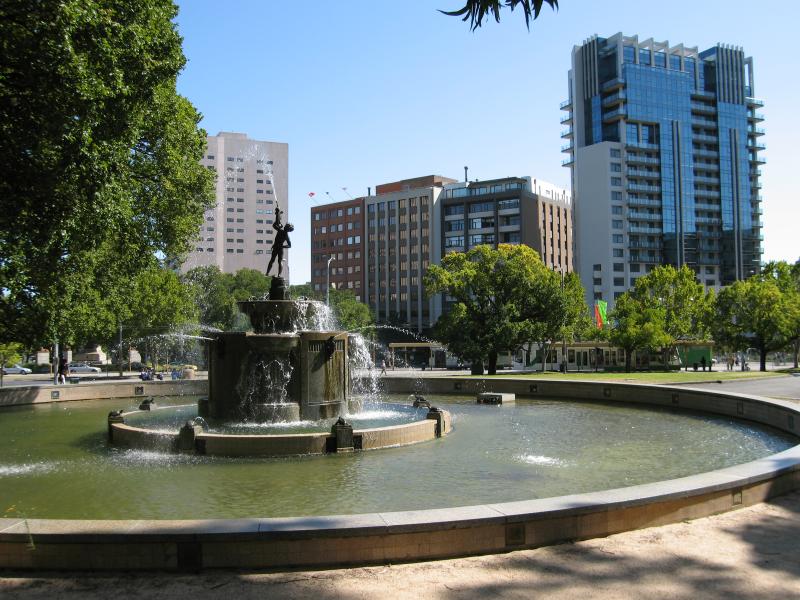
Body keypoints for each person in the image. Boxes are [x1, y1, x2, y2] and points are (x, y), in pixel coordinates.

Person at [266, 206, 293, 277]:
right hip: (278, 248)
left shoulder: (282, 232)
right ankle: (276, 274)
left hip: (277, 248)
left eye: (286, 226)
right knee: (277, 261)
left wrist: (277, 214)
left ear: (287, 228)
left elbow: (274, 225)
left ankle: (271, 273)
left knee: (274, 260)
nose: (285, 226)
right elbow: (289, 245)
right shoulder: (284, 234)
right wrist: (277, 214)